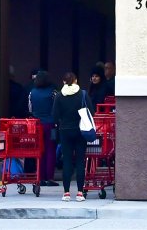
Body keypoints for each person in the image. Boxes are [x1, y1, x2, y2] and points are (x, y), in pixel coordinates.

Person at [52, 72, 87, 202]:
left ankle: (66, 193)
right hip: (80, 130)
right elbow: (92, 111)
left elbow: (54, 116)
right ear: (76, 81)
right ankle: (80, 193)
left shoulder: (60, 96)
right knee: (80, 161)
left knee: (67, 161)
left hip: (65, 131)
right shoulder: (82, 94)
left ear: (63, 82)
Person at [28, 70, 58, 187]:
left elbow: (30, 109)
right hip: (51, 125)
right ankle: (49, 177)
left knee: (39, 150)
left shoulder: (32, 92)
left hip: (37, 125)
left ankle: (39, 177)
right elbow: (57, 108)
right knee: (51, 150)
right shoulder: (53, 92)